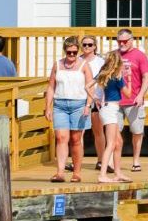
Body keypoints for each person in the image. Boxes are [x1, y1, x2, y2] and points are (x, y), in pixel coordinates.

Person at [44, 37, 93, 183]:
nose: (71, 55)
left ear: (78, 51)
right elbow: (51, 86)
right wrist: (48, 106)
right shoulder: (57, 65)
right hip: (60, 104)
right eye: (69, 52)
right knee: (61, 138)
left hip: (79, 104)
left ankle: (77, 172)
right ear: (65, 51)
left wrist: (88, 105)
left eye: (74, 52)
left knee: (76, 139)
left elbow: (91, 86)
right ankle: (60, 172)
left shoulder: (84, 65)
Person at [115, 29, 148, 172]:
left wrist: (141, 94)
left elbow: (147, 76)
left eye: (125, 41)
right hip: (115, 101)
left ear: (131, 40)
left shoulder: (139, 55)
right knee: (114, 132)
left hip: (134, 100)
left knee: (137, 131)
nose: (122, 43)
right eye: (119, 41)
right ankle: (115, 162)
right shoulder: (114, 55)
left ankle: (136, 160)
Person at [91, 49, 131, 183]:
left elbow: (87, 86)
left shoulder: (103, 74)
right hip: (111, 110)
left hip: (107, 108)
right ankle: (102, 174)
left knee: (119, 142)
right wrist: (129, 79)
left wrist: (95, 98)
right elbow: (128, 94)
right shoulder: (117, 77)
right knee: (111, 143)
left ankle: (117, 173)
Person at [80, 35, 106, 171]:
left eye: (90, 45)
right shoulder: (77, 60)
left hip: (97, 99)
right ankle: (77, 161)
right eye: (84, 44)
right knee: (79, 132)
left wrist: (101, 97)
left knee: (98, 131)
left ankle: (101, 160)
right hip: (81, 99)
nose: (86, 47)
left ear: (95, 46)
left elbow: (104, 80)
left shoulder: (101, 62)